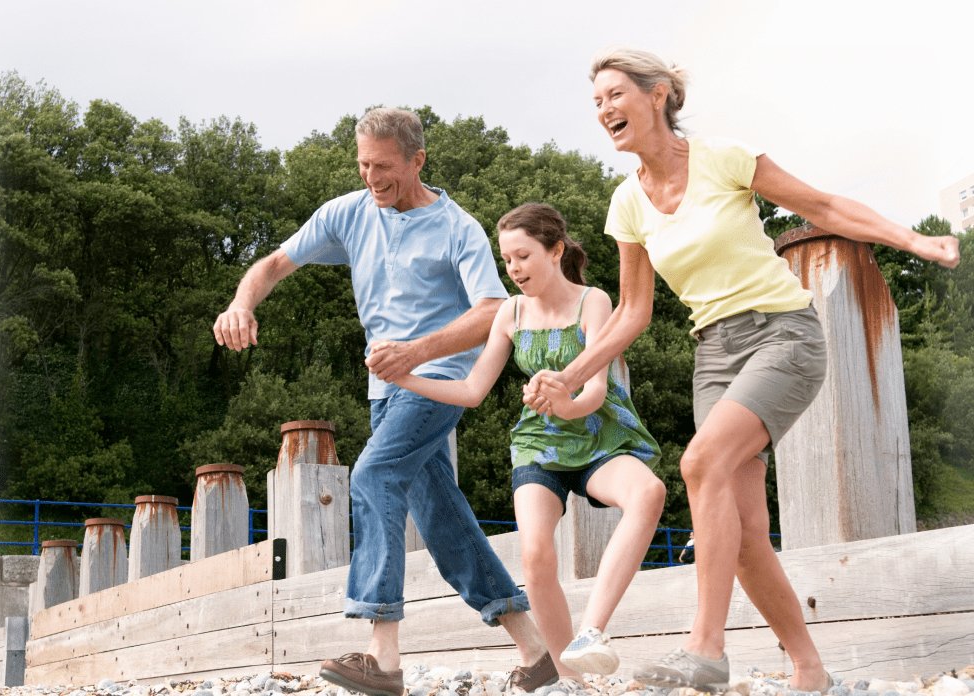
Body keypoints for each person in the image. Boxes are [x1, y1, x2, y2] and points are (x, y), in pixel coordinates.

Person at [523, 46, 960, 694]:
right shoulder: (627, 206)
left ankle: (706, 649)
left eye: (615, 95)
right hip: (713, 356)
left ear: (659, 95)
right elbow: (634, 313)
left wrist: (915, 241)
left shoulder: (724, 157)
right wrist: (569, 373)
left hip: (783, 334)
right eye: (596, 103)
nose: (604, 110)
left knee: (699, 464)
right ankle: (809, 669)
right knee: (748, 532)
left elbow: (826, 207)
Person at [213, 107, 554, 696]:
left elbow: (493, 311)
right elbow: (272, 264)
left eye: (385, 166)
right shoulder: (347, 213)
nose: (372, 178)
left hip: (438, 381)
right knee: (444, 522)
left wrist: (417, 353)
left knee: (371, 476)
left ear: (417, 160)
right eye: (364, 165)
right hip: (384, 389)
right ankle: (535, 648)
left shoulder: (457, 228)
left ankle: (383, 656)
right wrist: (241, 303)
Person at [387, 202, 666, 685]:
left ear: (555, 251)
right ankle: (566, 679)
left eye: (523, 256)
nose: (513, 270)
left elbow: (596, 390)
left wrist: (563, 401)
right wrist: (406, 377)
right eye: (507, 260)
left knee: (649, 493)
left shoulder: (593, 301)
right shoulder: (510, 314)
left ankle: (592, 631)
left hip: (601, 436)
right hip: (538, 444)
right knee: (535, 553)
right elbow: (473, 391)